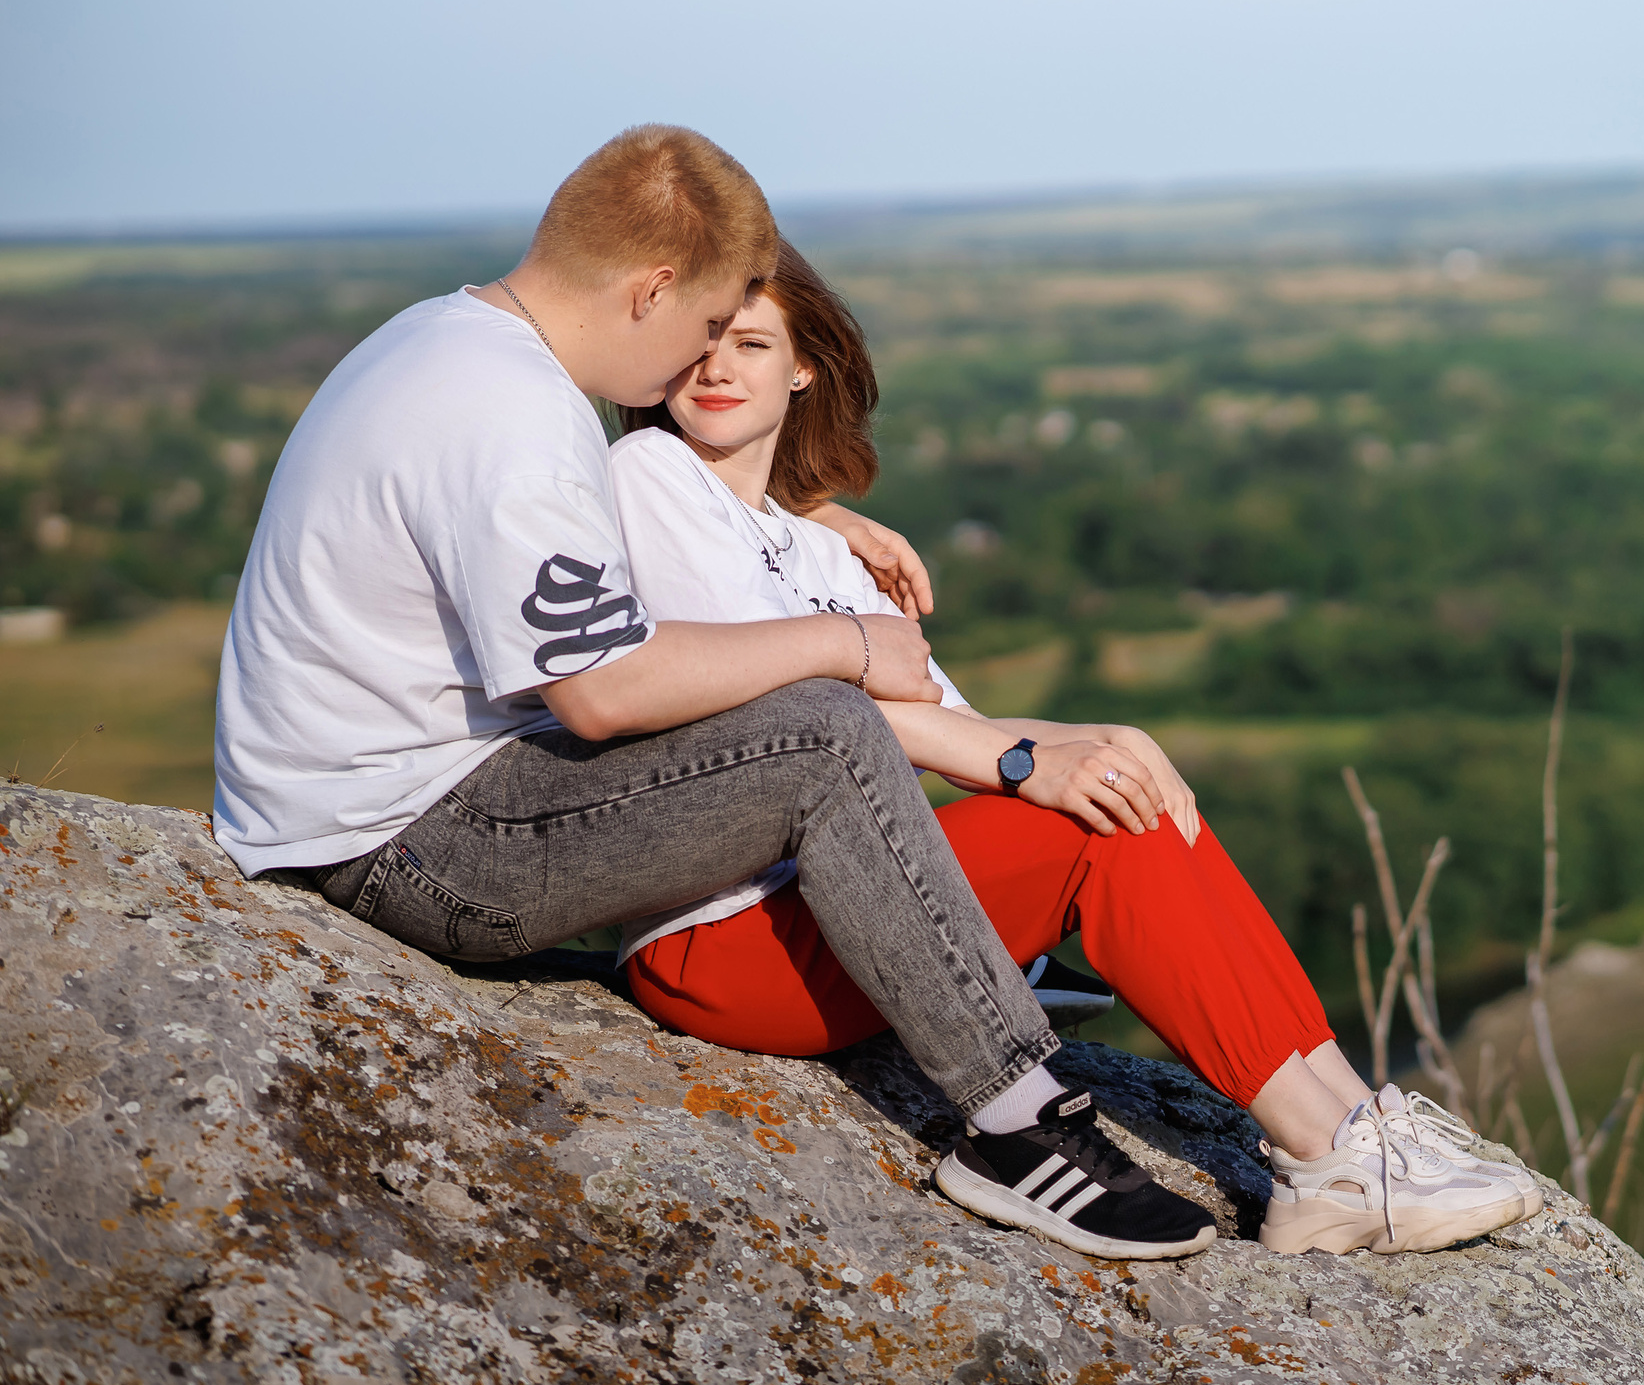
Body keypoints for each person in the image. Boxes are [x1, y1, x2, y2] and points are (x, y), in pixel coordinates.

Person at [212, 126, 1217, 1261]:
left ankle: (961, 973)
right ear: (651, 288)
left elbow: (583, 541)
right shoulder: (517, 420)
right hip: (404, 845)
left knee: (793, 708)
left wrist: (807, 514)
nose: (697, 366)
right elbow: (600, 691)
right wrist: (839, 638)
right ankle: (1013, 1129)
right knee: (823, 735)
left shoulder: (452, 342)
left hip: (350, 802)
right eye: (701, 327)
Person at [602, 239, 1543, 1256]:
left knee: (1128, 788)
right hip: (728, 933)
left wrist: (1104, 739)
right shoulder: (650, 476)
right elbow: (784, 703)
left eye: (750, 342)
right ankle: (1325, 1161)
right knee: (1098, 832)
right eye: (702, 341)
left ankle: (1356, 1124)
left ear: (803, 366)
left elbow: (959, 727)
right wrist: (1026, 766)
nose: (718, 368)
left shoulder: (830, 550)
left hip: (857, 911)